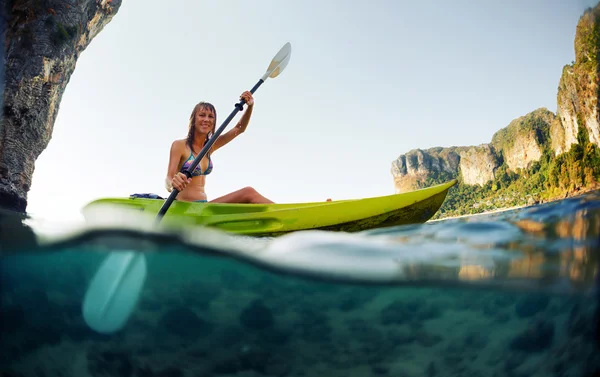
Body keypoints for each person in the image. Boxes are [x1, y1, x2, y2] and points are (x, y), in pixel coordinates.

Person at [165, 91, 274, 204]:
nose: (206, 119)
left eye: (211, 117)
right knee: (248, 192)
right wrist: (172, 183)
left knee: (249, 193)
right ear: (194, 119)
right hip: (183, 206)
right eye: (202, 115)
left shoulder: (209, 147)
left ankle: (284, 214)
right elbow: (168, 178)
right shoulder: (180, 145)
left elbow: (239, 129)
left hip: (203, 206)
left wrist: (250, 106)